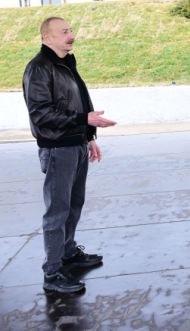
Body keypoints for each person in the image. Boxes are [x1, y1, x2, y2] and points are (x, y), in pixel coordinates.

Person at [22, 17, 117, 293]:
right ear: (47, 38)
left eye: (71, 30)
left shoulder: (65, 63)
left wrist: (88, 137)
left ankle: (68, 253)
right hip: (57, 148)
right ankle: (52, 274)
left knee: (74, 206)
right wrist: (83, 119)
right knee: (57, 212)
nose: (71, 35)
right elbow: (40, 114)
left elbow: (79, 104)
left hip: (74, 143)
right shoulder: (39, 68)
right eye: (64, 32)